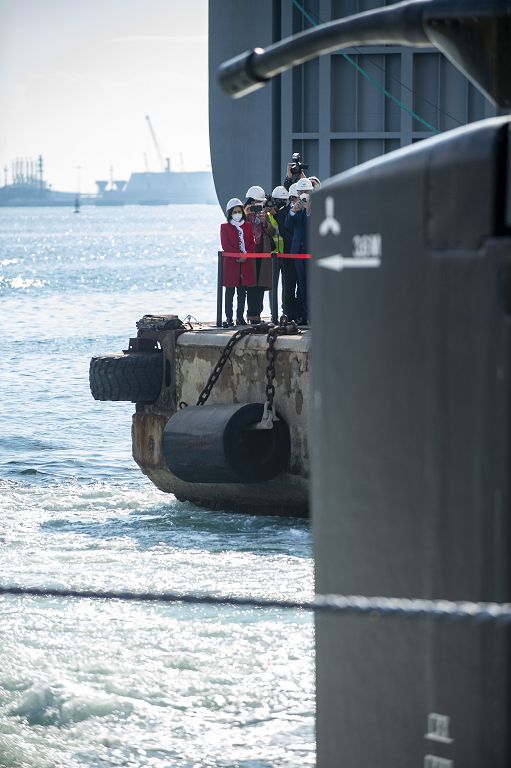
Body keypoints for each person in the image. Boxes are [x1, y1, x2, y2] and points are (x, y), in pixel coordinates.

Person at [220, 197, 256, 327]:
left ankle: (240, 317)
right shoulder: (224, 227)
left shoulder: (247, 225)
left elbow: (252, 243)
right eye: (234, 212)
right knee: (229, 292)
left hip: (245, 264)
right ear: (230, 213)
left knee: (242, 293)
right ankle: (229, 317)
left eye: (239, 211)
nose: (237, 214)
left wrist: (246, 255)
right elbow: (225, 245)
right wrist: (238, 255)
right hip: (231, 264)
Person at [244, 185, 275, 323]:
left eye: (260, 202)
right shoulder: (243, 216)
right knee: (251, 286)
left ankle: (257, 315)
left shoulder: (264, 215)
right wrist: (246, 215)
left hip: (262, 255)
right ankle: (251, 314)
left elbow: (272, 232)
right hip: (250, 255)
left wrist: (265, 223)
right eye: (256, 202)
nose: (258, 205)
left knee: (261, 285)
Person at [268, 185, 298, 321]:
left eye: (283, 200)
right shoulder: (268, 215)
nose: (280, 203)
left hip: (286, 254)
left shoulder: (285, 213)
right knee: (272, 287)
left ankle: (286, 312)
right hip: (273, 255)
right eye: (278, 200)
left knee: (287, 285)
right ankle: (273, 313)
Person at [286, 177, 313, 325]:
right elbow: (287, 226)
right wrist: (292, 212)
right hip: (297, 251)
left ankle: (312, 314)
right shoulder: (295, 207)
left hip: (311, 252)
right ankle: (305, 314)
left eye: (306, 191)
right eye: (301, 191)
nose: (303, 193)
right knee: (302, 285)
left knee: (311, 284)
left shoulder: (315, 205)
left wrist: (309, 211)